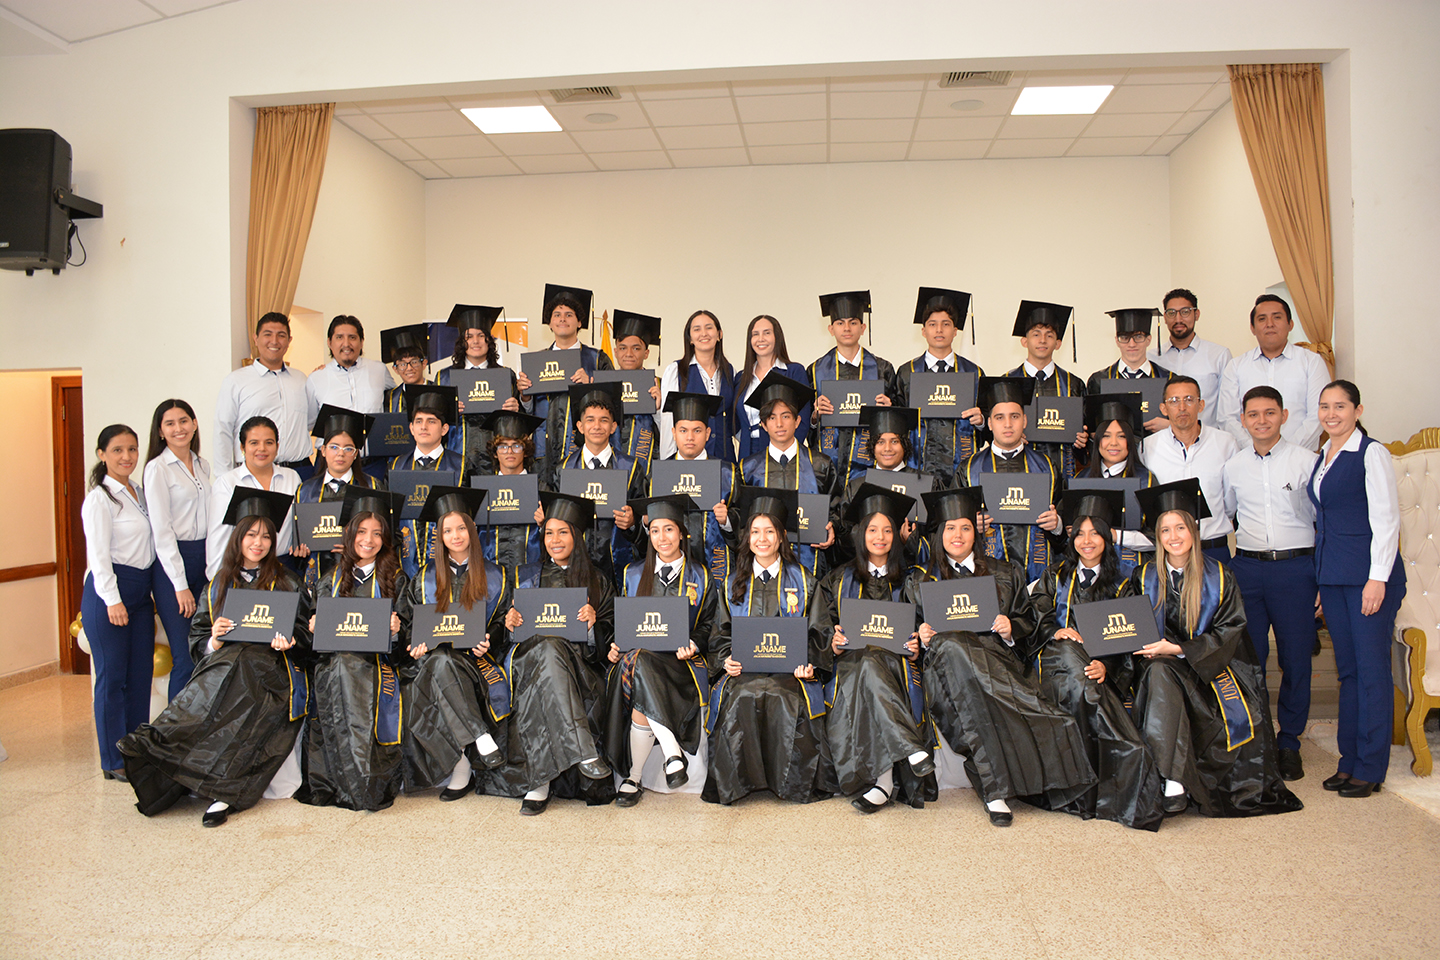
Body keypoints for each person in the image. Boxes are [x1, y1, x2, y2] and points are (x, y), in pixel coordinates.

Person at [118, 488, 311, 827]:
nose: (259, 543)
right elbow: (198, 639)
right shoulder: (218, 584)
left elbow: (306, 636)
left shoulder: (288, 581)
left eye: (266, 536)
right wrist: (214, 639)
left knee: (244, 676)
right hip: (226, 663)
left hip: (272, 667)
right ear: (238, 538)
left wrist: (291, 641)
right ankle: (163, 743)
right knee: (220, 680)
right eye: (251, 535)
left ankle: (219, 788)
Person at [911, 486, 1095, 827]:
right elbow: (911, 635)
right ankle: (994, 791)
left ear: (977, 532)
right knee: (951, 647)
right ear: (939, 534)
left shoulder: (1006, 572)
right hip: (947, 671)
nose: (957, 535)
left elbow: (1028, 623)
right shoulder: (922, 578)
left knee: (972, 683)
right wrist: (920, 635)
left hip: (997, 662)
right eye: (950, 528)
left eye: (965, 527)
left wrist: (1011, 629)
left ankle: (994, 790)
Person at [1130, 479, 1303, 817]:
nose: (1173, 536)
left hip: (1210, 668)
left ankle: (1173, 778)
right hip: (1161, 668)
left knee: (1166, 671)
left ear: (1194, 531)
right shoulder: (1143, 576)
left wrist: (1180, 649)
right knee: (1159, 671)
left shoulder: (1221, 577)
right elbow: (1132, 628)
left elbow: (1231, 630)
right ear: (1157, 537)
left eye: (1180, 527)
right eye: (1165, 530)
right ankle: (1173, 780)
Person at [1029, 491, 1167, 830]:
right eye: (1079, 533)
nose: (1086, 541)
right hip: (1055, 662)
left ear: (1107, 538)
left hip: (1095, 670)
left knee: (1086, 685)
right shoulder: (1056, 575)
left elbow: (1130, 639)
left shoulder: (1124, 583)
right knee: (1075, 668)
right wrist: (1054, 630)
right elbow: (1037, 614)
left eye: (1095, 533)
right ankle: (1122, 759)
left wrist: (1108, 665)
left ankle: (1083, 790)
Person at [702, 487, 837, 805]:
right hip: (744, 672)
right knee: (742, 695)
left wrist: (809, 663)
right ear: (747, 537)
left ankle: (789, 784)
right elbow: (720, 635)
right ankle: (740, 784)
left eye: (769, 532)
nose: (762, 539)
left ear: (781, 537)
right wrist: (726, 660)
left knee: (783, 696)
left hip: (790, 674)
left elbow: (820, 632)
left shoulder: (805, 581)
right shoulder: (732, 583)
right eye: (755, 532)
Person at [811, 485, 936, 813]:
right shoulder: (837, 580)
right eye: (872, 530)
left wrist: (916, 647)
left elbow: (924, 630)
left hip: (895, 665)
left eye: (887, 530)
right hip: (849, 665)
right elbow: (820, 629)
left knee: (869, 664)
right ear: (861, 534)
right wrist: (832, 643)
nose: (880, 537)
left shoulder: (911, 580)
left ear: (896, 536)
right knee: (865, 664)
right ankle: (908, 751)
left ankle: (883, 783)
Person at [1310, 380, 1407, 798]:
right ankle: (1349, 761)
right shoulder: (1325, 455)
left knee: (1371, 672)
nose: (1331, 414)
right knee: (1348, 673)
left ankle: (1371, 766)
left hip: (1369, 580)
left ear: (1357, 410)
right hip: (1334, 577)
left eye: (1340, 406)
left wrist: (1377, 578)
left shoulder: (1371, 453)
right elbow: (1325, 523)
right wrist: (1320, 579)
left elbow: (1387, 520)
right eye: (1325, 406)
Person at [1222, 385, 1320, 782]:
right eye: (1253, 414)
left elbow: (1322, 520)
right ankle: (1259, 739)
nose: (1261, 420)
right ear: (1243, 420)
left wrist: (1320, 580)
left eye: (1269, 413)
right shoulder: (1233, 466)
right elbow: (1230, 513)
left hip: (1296, 569)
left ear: (1283, 415)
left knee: (1296, 659)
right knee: (1252, 659)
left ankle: (1290, 742)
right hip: (1249, 569)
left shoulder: (1307, 462)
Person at [503, 493, 617, 814]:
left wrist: (594, 625)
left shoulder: (598, 581)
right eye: (549, 533)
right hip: (529, 664)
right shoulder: (525, 577)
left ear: (577, 536)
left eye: (563, 532)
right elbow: (509, 639)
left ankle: (539, 784)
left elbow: (610, 641)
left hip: (581, 670)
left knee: (551, 654)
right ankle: (584, 752)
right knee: (547, 650)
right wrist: (509, 624)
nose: (555, 540)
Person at [396, 486, 512, 801]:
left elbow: (504, 621)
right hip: (432, 660)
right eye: (447, 530)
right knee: (439, 660)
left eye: (461, 528)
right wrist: (414, 644)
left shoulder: (496, 575)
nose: (455, 536)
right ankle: (479, 737)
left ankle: (461, 770)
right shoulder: (424, 577)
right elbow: (410, 624)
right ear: (440, 536)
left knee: (442, 664)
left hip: (476, 661)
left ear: (472, 530)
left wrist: (490, 640)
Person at [296, 488, 408, 811]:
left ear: (385, 539)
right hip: (334, 664)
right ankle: (354, 782)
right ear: (349, 534)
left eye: (377, 533)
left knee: (349, 668)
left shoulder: (397, 580)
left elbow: (407, 644)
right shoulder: (329, 580)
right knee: (341, 667)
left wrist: (397, 632)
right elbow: (313, 647)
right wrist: (313, 630)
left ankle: (360, 782)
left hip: (378, 665)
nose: (368, 540)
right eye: (361, 532)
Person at [607, 495, 718, 806]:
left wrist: (695, 643)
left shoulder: (701, 576)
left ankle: (634, 777)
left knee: (639, 668)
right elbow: (624, 625)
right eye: (654, 531)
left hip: (682, 664)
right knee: (639, 661)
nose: (662, 538)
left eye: (669, 529)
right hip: (641, 660)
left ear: (682, 533)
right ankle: (671, 752)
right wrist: (615, 646)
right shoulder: (632, 574)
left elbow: (710, 624)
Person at [81, 424, 157, 782]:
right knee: (112, 678)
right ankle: (112, 760)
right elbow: (98, 556)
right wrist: (113, 600)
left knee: (140, 676)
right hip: (109, 591)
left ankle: (134, 750)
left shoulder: (138, 491)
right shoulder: (100, 498)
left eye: (132, 449)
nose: (126, 457)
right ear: (102, 455)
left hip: (140, 593)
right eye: (117, 450)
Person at [956, 377, 1065, 583]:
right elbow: (949, 527)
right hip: (985, 577)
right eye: (999, 417)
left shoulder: (1047, 467)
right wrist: (969, 527)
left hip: (1039, 578)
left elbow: (1067, 524)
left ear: (1024, 420)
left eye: (1014, 416)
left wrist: (1057, 524)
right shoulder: (968, 469)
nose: (1008, 424)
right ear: (989, 423)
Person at [739, 371, 838, 577]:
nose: (779, 424)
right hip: (764, 568)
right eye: (772, 418)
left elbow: (836, 509)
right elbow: (742, 521)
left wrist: (833, 527)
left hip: (813, 564)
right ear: (763, 425)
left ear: (797, 421)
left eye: (785, 416)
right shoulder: (748, 468)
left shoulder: (821, 464)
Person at [548, 382, 649, 582]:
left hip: (619, 562)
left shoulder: (631, 468)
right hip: (575, 563)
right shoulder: (563, 470)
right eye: (590, 420)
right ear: (580, 426)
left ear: (613, 427)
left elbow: (645, 518)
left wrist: (632, 524)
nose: (596, 426)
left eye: (604, 420)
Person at [143, 399, 210, 697]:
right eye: (169, 423)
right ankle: (175, 726)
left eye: (183, 421)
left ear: (194, 424)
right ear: (160, 432)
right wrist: (180, 585)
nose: (178, 428)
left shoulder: (202, 465)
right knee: (184, 656)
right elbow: (162, 531)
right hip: (173, 566)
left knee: (204, 652)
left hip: (204, 561)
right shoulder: (157, 469)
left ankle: (199, 722)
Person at [807, 290, 901, 489]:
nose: (847, 328)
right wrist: (814, 416)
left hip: (869, 465)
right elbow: (805, 423)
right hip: (826, 466)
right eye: (840, 323)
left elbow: (899, 423)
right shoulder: (815, 371)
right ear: (831, 329)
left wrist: (890, 409)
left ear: (863, 328)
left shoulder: (882, 369)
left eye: (853, 322)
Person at [1140, 376, 1238, 562]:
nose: (1182, 407)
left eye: (1189, 399)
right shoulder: (1148, 447)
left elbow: (1231, 503)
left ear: (1201, 405)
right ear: (1163, 408)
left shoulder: (1225, 443)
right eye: (1174, 401)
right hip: (1170, 551)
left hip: (1213, 548)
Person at [517, 283, 611, 473]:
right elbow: (526, 415)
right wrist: (524, 397)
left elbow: (614, 404)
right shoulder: (535, 362)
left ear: (579, 322)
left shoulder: (597, 359)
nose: (562, 319)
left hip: (584, 452)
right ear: (550, 323)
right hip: (543, 452)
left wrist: (590, 385)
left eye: (569, 315)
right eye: (557, 315)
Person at [897, 287, 985, 489]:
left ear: (955, 331)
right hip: (917, 467)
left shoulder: (974, 373)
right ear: (923, 331)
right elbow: (898, 422)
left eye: (946, 324)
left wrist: (982, 421)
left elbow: (990, 421)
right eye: (932, 324)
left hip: (961, 470)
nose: (939, 330)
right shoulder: (907, 373)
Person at [650, 392, 739, 589]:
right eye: (683, 430)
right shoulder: (659, 474)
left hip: (717, 564)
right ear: (674, 433)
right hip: (671, 570)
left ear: (707, 433)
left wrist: (727, 520)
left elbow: (745, 518)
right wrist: (646, 521)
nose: (690, 437)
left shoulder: (727, 473)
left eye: (697, 430)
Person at [1217, 294, 1328, 449]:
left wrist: (1287, 452)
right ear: (1252, 328)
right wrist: (1255, 450)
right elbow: (1227, 418)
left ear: (1290, 324)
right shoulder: (1236, 366)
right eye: (1262, 319)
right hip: (1249, 457)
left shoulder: (1312, 362)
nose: (1269, 324)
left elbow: (1318, 414)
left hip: (1301, 457)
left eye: (1277, 317)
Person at [214, 311, 313, 478]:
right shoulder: (236, 380)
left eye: (281, 335)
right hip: (253, 471)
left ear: (289, 341)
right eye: (268, 334)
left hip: (300, 470)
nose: (274, 341)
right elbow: (223, 429)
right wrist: (223, 477)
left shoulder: (301, 379)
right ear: (256, 338)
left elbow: (310, 422)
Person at [296, 405, 382, 592]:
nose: (340, 453)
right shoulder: (305, 490)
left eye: (348, 448)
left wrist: (359, 547)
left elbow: (387, 535)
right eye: (334, 447)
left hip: (361, 576)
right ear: (323, 450)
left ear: (356, 453)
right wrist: (299, 548)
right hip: (317, 574)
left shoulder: (372, 487)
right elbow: (299, 534)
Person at [206, 416, 301, 578]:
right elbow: (218, 538)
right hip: (244, 571)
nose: (262, 448)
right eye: (254, 443)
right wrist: (216, 580)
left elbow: (298, 524)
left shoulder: (292, 478)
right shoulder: (227, 483)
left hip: (284, 568)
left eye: (269, 442)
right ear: (242, 447)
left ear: (277, 447)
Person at [387, 384, 466, 578]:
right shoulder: (395, 466)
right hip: (404, 565)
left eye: (431, 421)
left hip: (448, 567)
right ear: (411, 428)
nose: (423, 427)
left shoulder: (462, 466)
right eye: (418, 421)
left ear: (444, 429)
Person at [1004, 300, 1087, 479]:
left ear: (1058, 343)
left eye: (1049, 335)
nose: (1042, 340)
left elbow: (1085, 437)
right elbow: (992, 433)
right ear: (1024, 341)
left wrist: (1083, 441)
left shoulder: (1074, 385)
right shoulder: (1007, 383)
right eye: (1036, 334)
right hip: (1017, 475)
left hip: (1063, 476)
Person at [834, 406, 926, 567]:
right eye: (880, 442)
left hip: (912, 570)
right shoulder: (857, 486)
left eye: (895, 441)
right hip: (867, 571)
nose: (887, 448)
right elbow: (844, 534)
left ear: (904, 445)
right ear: (872, 447)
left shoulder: (924, 484)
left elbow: (937, 534)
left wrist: (911, 541)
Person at [436, 304, 522, 476]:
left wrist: (516, 410)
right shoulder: (444, 378)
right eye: (469, 336)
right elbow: (433, 422)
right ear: (462, 342)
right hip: (456, 455)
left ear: (489, 340)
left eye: (481, 335)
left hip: (496, 459)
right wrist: (448, 412)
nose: (475, 341)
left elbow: (520, 425)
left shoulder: (506, 375)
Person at [1077, 393, 1157, 567]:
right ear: (1097, 440)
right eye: (1106, 436)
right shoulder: (1081, 479)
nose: (1113, 443)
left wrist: (1116, 535)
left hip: (1134, 569)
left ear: (1130, 441)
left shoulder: (1147, 480)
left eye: (1121, 436)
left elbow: (1156, 539)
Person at [659, 309, 736, 461]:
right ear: (690, 339)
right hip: (690, 459)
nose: (704, 333)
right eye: (697, 329)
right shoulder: (676, 370)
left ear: (719, 334)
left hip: (725, 457)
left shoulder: (728, 370)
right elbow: (668, 421)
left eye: (709, 327)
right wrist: (668, 463)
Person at [732, 314, 811, 460]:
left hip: (783, 451)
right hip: (748, 452)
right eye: (755, 334)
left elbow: (803, 418)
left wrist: (786, 452)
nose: (761, 338)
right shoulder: (741, 378)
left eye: (767, 333)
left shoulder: (793, 371)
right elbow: (736, 421)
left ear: (777, 337)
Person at [1149, 288, 1231, 426]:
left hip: (1207, 437)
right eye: (1171, 313)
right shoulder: (1152, 358)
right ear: (1165, 318)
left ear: (1196, 314)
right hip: (1163, 437)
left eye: (1185, 312)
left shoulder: (1219, 355)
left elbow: (1227, 411)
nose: (1178, 319)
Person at [475, 410, 545, 568]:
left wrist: (544, 525)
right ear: (495, 452)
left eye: (516, 446)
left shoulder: (541, 489)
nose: (510, 452)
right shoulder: (483, 491)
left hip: (531, 570)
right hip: (490, 570)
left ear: (526, 450)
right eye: (503, 446)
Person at [1085, 307, 1172, 435]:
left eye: (1138, 336)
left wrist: (1171, 426)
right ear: (1117, 341)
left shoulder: (1169, 379)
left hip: (1157, 447)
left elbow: (1184, 422)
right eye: (1125, 337)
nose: (1132, 344)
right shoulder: (1099, 380)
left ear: (1149, 339)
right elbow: (1091, 429)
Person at [304, 314, 393, 436]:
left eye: (352, 337)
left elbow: (397, 400)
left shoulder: (379, 370)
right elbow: (310, 423)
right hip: (332, 448)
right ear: (329, 342)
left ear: (361, 342)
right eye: (339, 337)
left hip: (372, 447)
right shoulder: (316, 379)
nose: (346, 344)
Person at [609, 309, 663, 467]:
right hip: (610, 468)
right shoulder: (605, 384)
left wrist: (658, 410)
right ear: (615, 352)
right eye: (623, 348)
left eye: (636, 348)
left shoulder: (660, 385)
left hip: (648, 467)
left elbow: (672, 433)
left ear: (646, 353)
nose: (629, 353)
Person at [380, 323, 433, 412]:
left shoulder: (439, 391)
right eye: (402, 364)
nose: (409, 368)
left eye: (414, 362)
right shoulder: (390, 398)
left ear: (424, 364)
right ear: (395, 369)